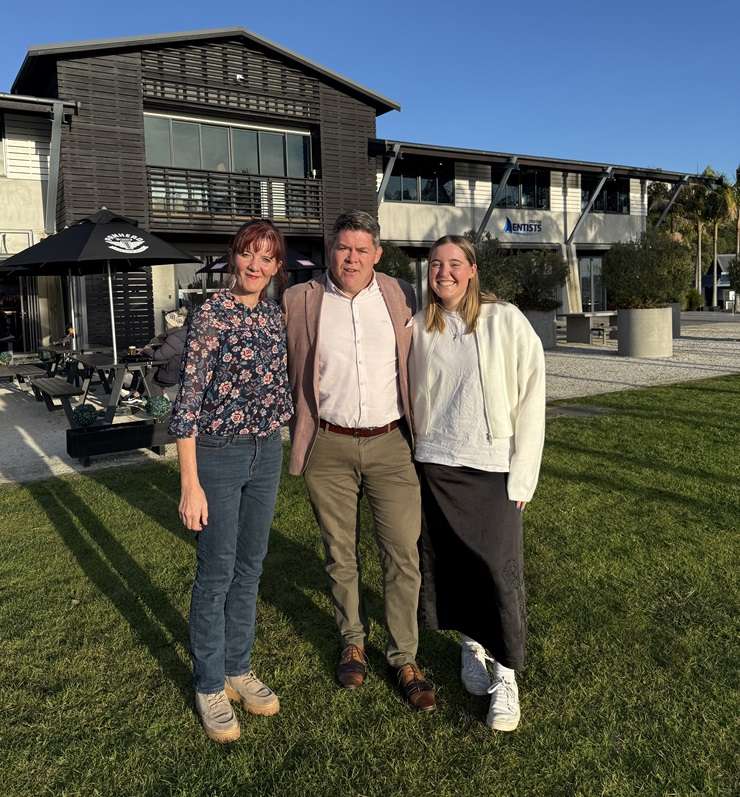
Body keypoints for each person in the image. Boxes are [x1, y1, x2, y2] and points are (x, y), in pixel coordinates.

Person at [282, 210, 435, 712]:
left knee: (402, 554)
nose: (351, 258)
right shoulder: (300, 299)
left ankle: (404, 655)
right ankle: (352, 639)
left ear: (378, 254)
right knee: (339, 552)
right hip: (329, 444)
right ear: (332, 250)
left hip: (392, 444)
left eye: (361, 250)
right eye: (343, 248)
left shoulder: (399, 295)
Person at [409, 234, 545, 731]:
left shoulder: (506, 321)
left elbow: (533, 394)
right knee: (450, 566)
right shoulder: (420, 326)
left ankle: (506, 674)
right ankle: (472, 647)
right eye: (435, 264)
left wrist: (523, 474)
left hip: (492, 468)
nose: (442, 272)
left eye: (453, 264)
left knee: (498, 570)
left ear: (471, 270)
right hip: (436, 464)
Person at [168, 220, 293, 743]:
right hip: (218, 457)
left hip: (266, 454)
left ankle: (239, 668)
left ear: (277, 266)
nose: (256, 265)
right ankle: (210, 682)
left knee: (250, 567)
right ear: (233, 257)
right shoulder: (211, 314)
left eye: (266, 258)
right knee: (216, 571)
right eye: (248, 254)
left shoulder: (272, 315)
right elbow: (187, 404)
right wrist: (189, 483)